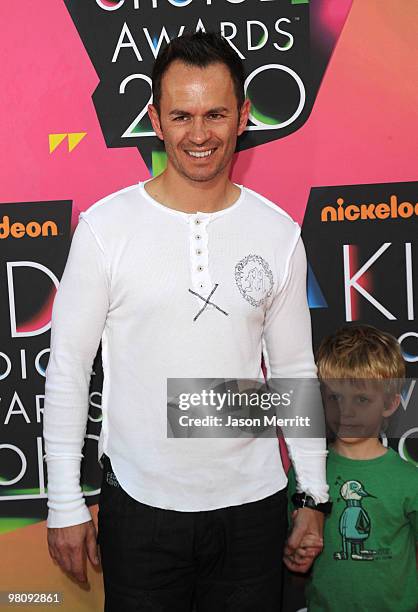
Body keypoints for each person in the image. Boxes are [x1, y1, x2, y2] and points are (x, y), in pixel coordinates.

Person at [43, 32, 329, 611]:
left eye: (216, 113)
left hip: (254, 509)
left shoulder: (276, 233)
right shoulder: (106, 229)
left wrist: (314, 494)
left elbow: (293, 367)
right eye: (182, 115)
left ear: (244, 115)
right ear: (156, 119)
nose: (200, 135)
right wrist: (64, 503)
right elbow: (69, 369)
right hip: (140, 511)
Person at [287, 324, 418, 611]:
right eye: (335, 397)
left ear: (390, 403)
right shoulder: (304, 478)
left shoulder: (410, 480)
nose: (345, 411)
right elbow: (295, 566)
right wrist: (298, 556)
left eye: (361, 399)